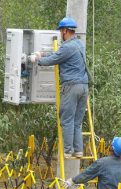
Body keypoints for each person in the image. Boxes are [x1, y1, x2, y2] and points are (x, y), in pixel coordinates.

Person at [30, 17, 89, 159]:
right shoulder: (79, 44)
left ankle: (68, 151)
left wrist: (38, 60)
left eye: (61, 31)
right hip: (84, 87)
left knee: (67, 119)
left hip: (71, 87)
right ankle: (78, 150)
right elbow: (59, 55)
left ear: (64, 31)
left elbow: (54, 59)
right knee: (77, 121)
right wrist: (43, 53)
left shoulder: (67, 47)